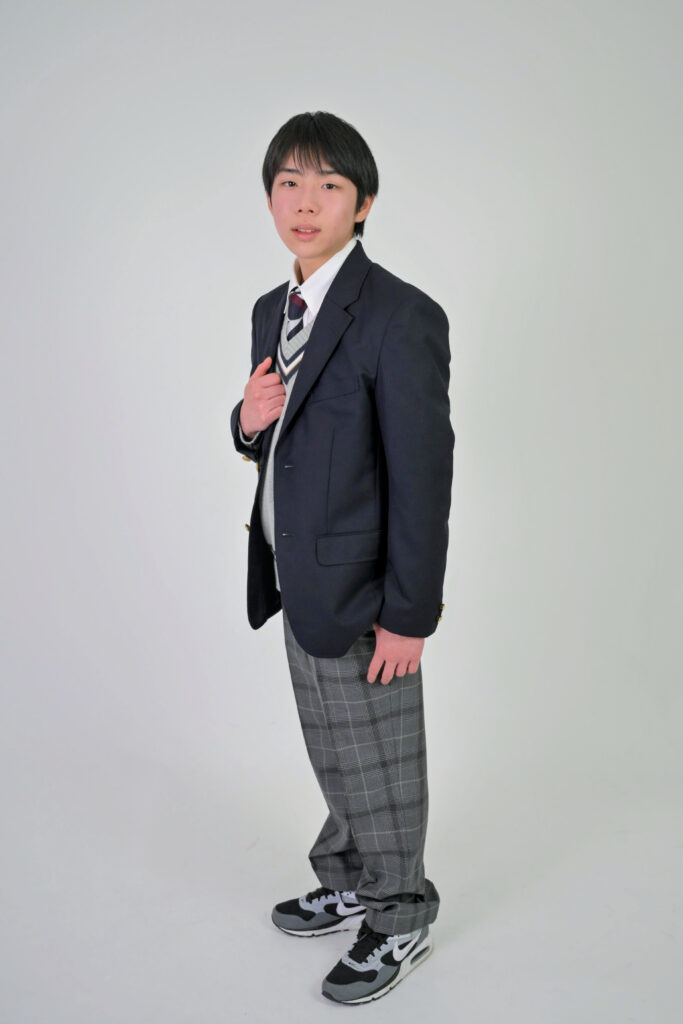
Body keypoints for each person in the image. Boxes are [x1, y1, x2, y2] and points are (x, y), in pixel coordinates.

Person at [229, 111, 454, 1005]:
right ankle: (351, 876)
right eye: (288, 182)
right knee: (335, 751)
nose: (305, 202)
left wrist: (409, 613)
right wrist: (244, 422)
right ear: (269, 197)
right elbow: (281, 440)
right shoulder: (272, 309)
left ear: (362, 203)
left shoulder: (400, 316)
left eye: (328, 185)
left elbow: (423, 477)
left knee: (380, 764)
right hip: (299, 579)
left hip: (368, 594)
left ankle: (400, 917)